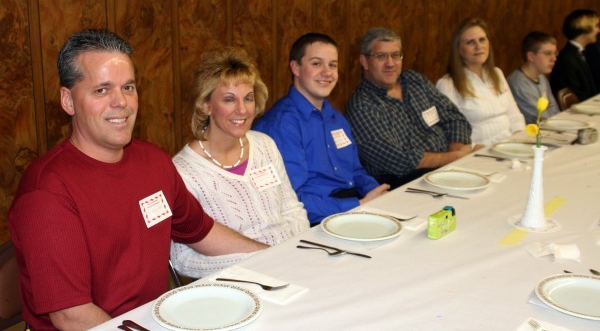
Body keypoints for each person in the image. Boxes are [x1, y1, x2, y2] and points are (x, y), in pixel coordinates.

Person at [8, 29, 267, 330]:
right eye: (101, 90)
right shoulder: (47, 192)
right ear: (68, 100)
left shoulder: (153, 161)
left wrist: (273, 257)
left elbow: (201, 231)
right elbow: (72, 315)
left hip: (156, 321)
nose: (121, 102)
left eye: (128, 87)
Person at [170, 47, 309, 278]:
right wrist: (263, 259)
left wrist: (294, 254)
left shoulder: (264, 145)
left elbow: (292, 209)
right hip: (239, 280)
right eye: (229, 99)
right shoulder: (183, 173)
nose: (242, 110)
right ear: (206, 105)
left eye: (248, 98)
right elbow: (183, 260)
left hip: (293, 262)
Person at [254, 33, 389, 225]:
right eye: (317, 64)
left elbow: (356, 172)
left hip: (353, 203)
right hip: (316, 220)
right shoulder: (282, 124)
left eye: (332, 65)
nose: (327, 72)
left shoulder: (336, 118)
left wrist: (377, 192)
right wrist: (358, 204)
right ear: (296, 68)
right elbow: (291, 199)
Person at [345, 27, 474, 190]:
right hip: (406, 185)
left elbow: (455, 118)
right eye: (381, 56)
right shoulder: (361, 106)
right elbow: (401, 161)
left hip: (448, 169)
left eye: (395, 55)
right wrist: (454, 157)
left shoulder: (414, 80)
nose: (390, 63)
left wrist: (457, 152)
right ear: (364, 62)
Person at [436, 18, 525, 145]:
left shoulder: (497, 73)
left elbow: (514, 115)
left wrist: (520, 139)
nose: (478, 46)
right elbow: (449, 133)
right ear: (459, 49)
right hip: (478, 153)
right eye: (470, 42)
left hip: (510, 144)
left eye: (482, 40)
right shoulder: (447, 84)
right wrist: (471, 149)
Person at [507, 31, 560, 123]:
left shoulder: (542, 77)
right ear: (531, 56)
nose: (554, 58)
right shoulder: (518, 83)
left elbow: (554, 108)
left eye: (555, 53)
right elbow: (538, 118)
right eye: (548, 53)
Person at [550, 9, 600, 102]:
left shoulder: (585, 52)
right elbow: (578, 96)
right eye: (596, 26)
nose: (598, 30)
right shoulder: (567, 59)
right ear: (584, 29)